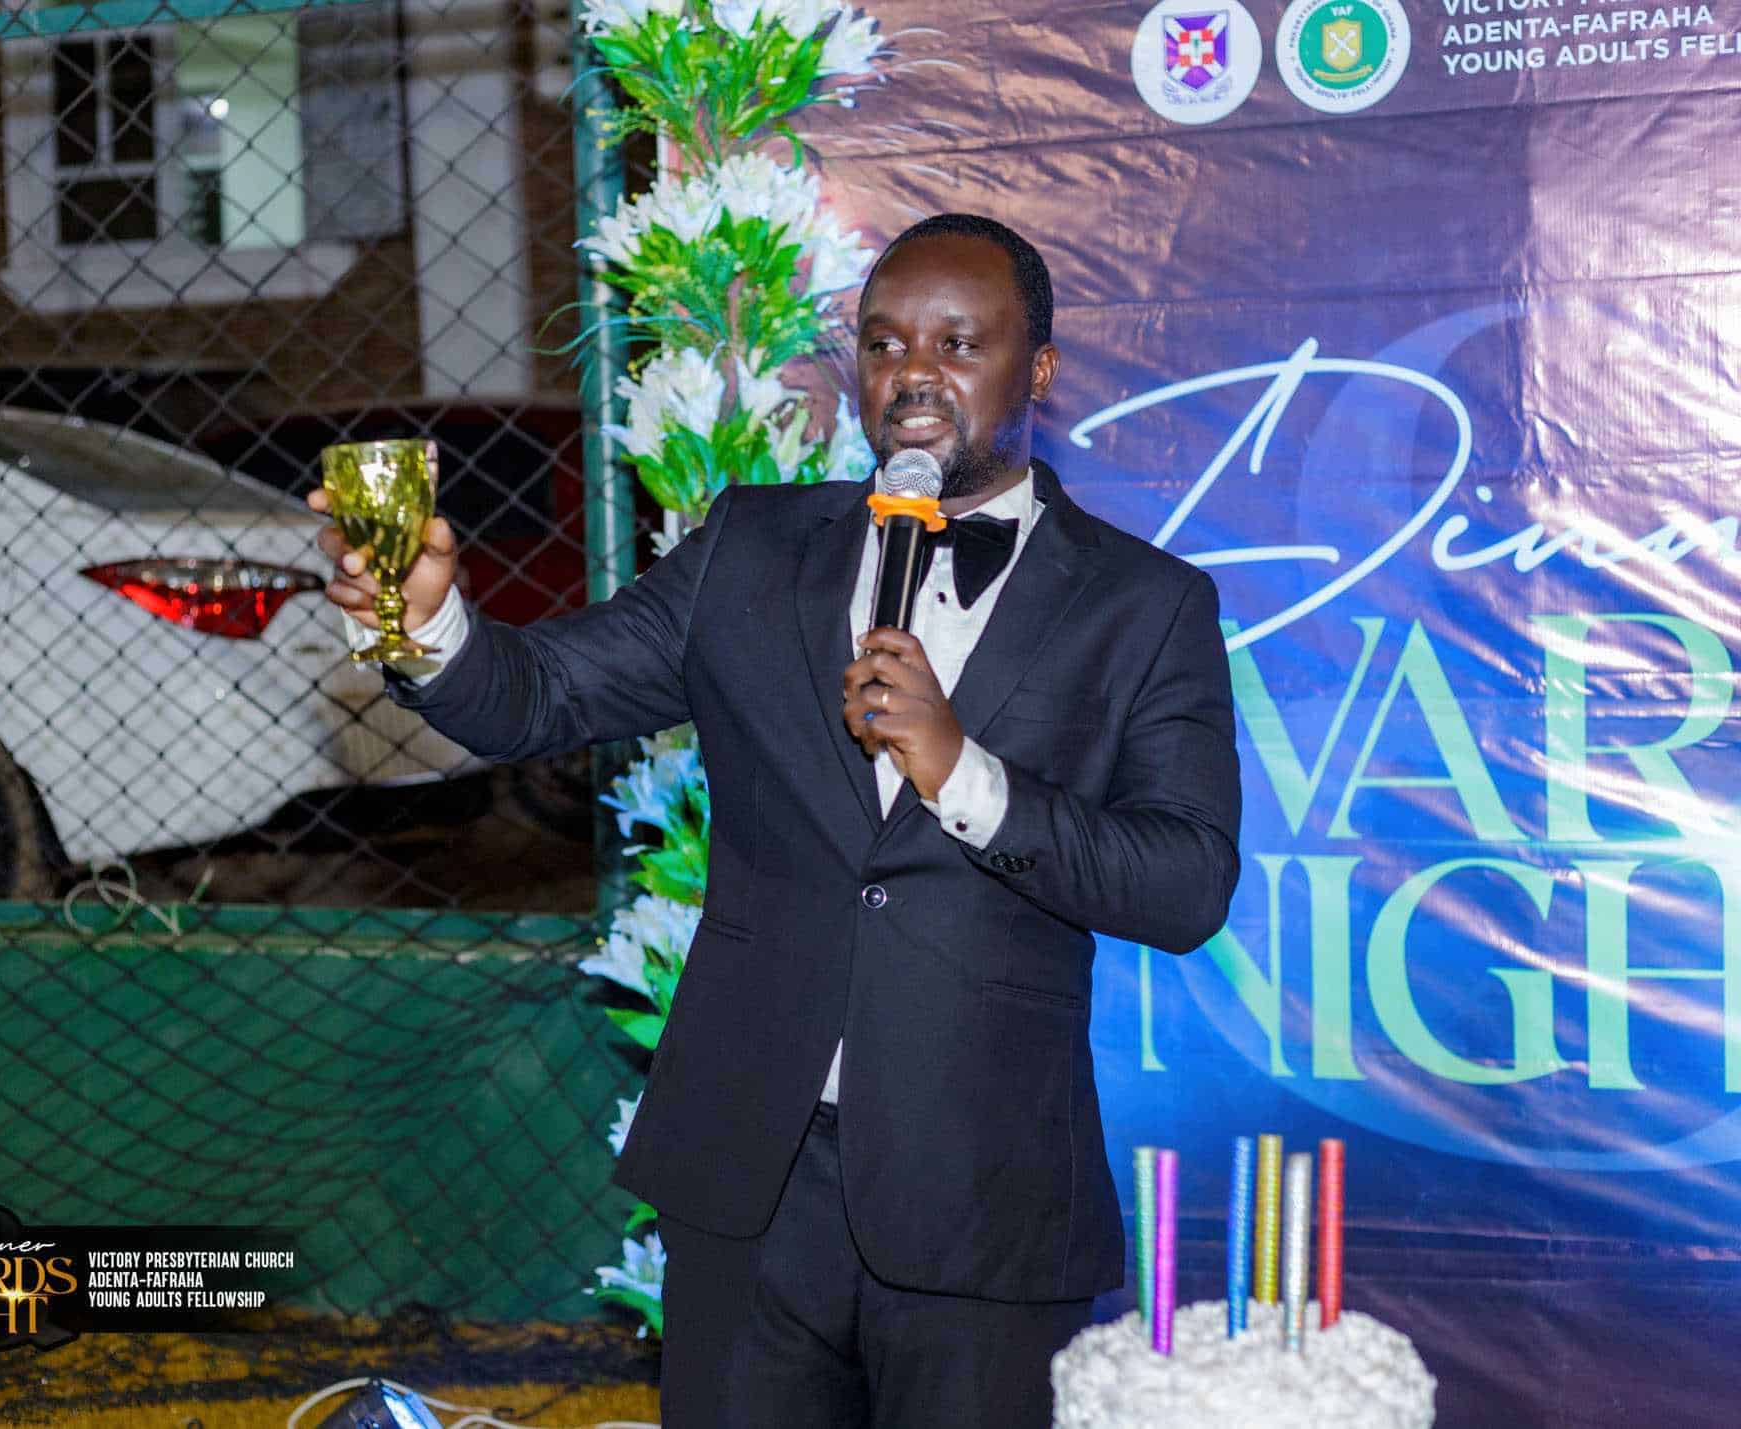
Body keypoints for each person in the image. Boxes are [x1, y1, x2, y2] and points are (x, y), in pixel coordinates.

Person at [311, 213, 1241, 1428]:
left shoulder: (1144, 604)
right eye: (884, 343)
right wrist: (430, 624)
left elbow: (1182, 882)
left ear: (1041, 369)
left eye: (959, 343)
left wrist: (960, 770)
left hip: (983, 1195)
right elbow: (537, 694)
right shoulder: (749, 548)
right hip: (749, 1179)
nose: (913, 373)